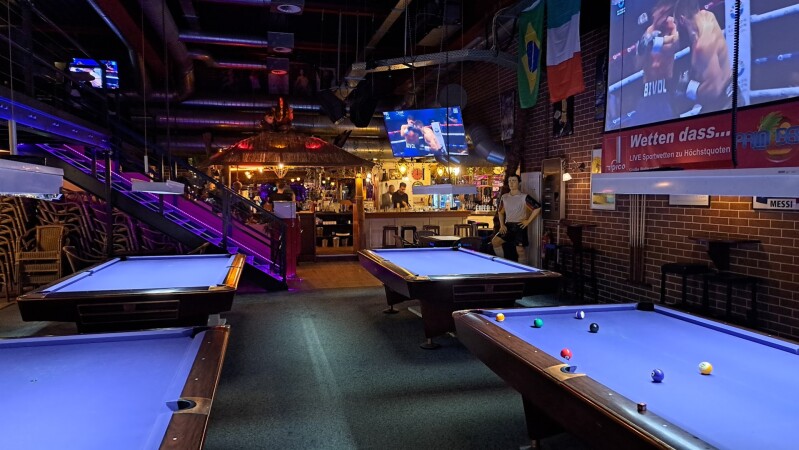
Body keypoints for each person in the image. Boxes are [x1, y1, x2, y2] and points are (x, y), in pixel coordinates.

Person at [673, 0, 736, 113]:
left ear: (682, 19)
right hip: (732, 92)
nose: (676, 29)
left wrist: (688, 89)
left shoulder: (702, 47)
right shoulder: (708, 16)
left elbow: (714, 89)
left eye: (676, 23)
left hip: (723, 105)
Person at [630, 0, 681, 126]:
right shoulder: (648, 32)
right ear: (654, 13)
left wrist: (657, 40)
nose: (664, 17)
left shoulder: (670, 25)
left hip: (666, 88)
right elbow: (637, 65)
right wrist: (641, 49)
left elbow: (676, 43)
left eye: (666, 13)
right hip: (647, 91)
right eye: (661, 13)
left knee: (672, 128)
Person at [491, 174, 541, 266]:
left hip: (519, 225)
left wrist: (528, 221)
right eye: (510, 181)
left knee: (520, 250)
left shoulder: (524, 197)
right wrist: (502, 225)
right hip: (508, 225)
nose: (511, 183)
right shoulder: (504, 197)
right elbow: (500, 212)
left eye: (514, 181)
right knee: (495, 242)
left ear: (519, 183)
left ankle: (523, 270)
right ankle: (503, 264)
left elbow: (537, 208)